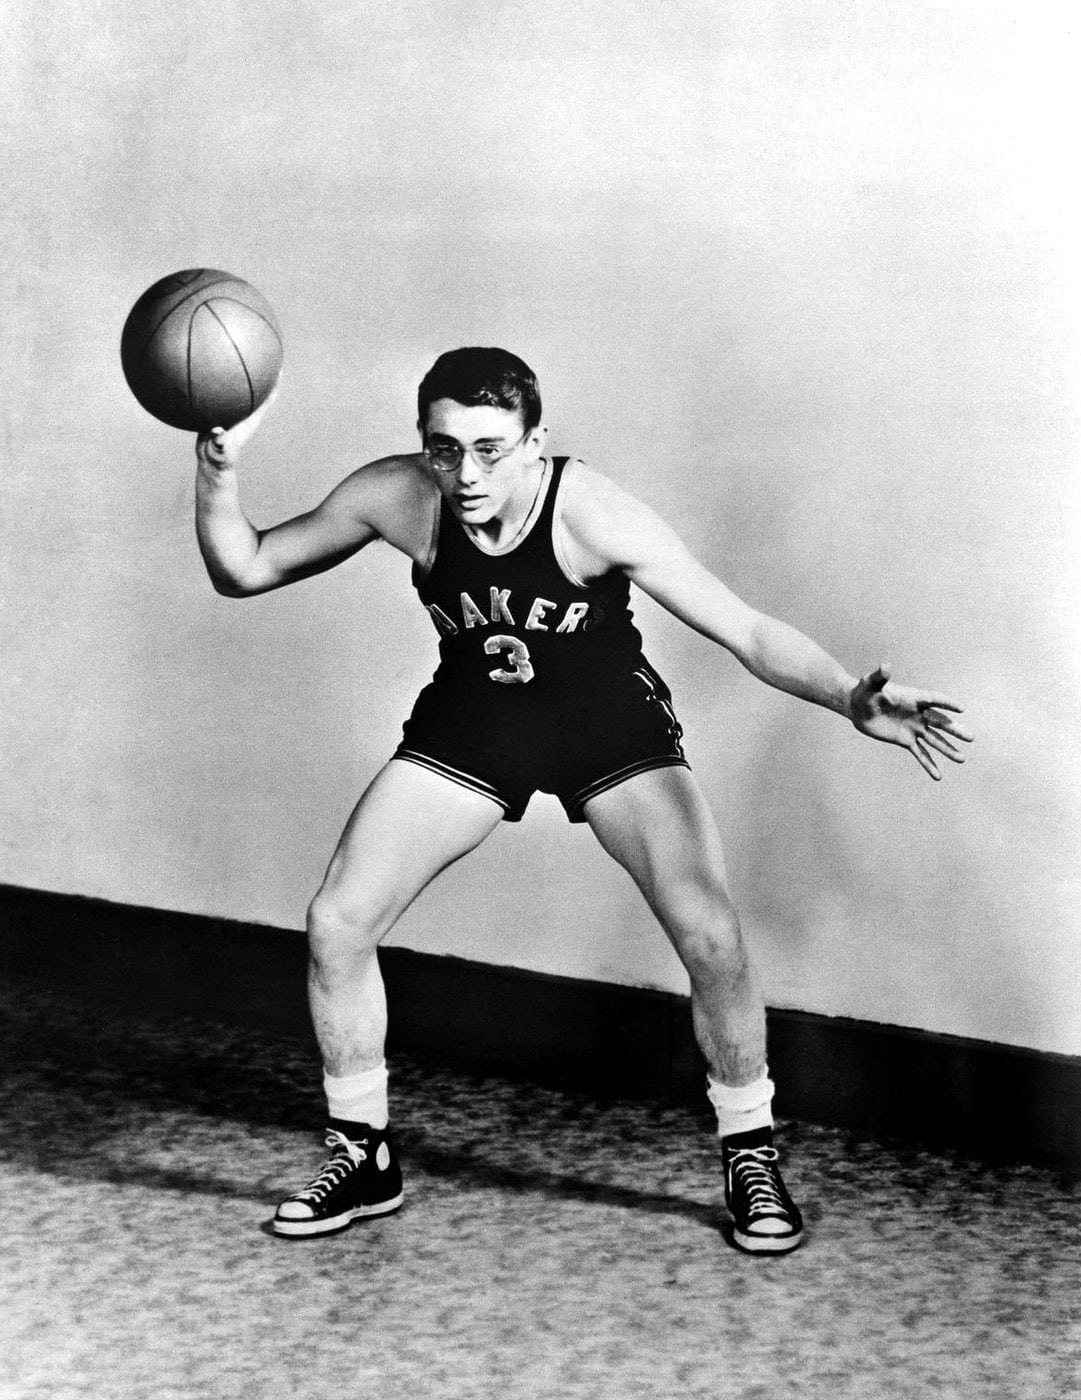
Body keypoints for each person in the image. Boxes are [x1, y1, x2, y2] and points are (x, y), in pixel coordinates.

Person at [194, 347, 971, 1255]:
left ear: (534, 443)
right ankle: (362, 1155)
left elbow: (746, 629)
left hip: (603, 721)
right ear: (423, 444)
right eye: (446, 449)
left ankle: (750, 1153)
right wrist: (218, 472)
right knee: (337, 920)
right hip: (477, 717)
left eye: (490, 449)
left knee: (710, 934)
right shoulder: (395, 494)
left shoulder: (591, 511)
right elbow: (245, 567)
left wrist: (846, 696)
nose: (466, 474)